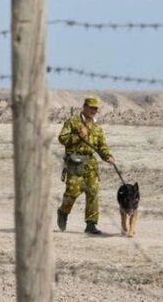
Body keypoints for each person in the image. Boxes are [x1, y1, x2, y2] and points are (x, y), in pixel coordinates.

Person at [57, 96, 116, 235]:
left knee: (93, 193)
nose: (93, 111)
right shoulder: (73, 121)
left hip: (91, 164)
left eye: (96, 108)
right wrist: (79, 136)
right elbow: (62, 138)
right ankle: (63, 211)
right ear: (84, 107)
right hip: (75, 162)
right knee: (72, 192)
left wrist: (107, 156)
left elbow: (101, 145)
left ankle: (91, 224)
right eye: (91, 108)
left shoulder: (97, 127)